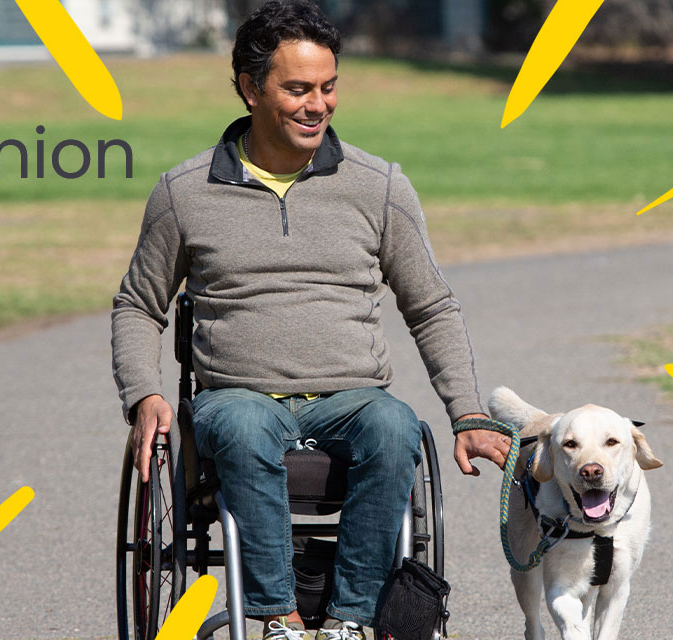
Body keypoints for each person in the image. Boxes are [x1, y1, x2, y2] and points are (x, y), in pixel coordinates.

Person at [111, 2, 511, 638]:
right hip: (236, 397)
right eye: (297, 88)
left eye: (328, 88)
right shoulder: (184, 192)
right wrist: (145, 396)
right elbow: (138, 302)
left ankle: (350, 620)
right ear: (250, 87)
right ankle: (279, 618)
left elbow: (431, 305)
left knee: (393, 424)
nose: (317, 104)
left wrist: (466, 413)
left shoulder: (378, 186)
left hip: (349, 398)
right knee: (242, 425)